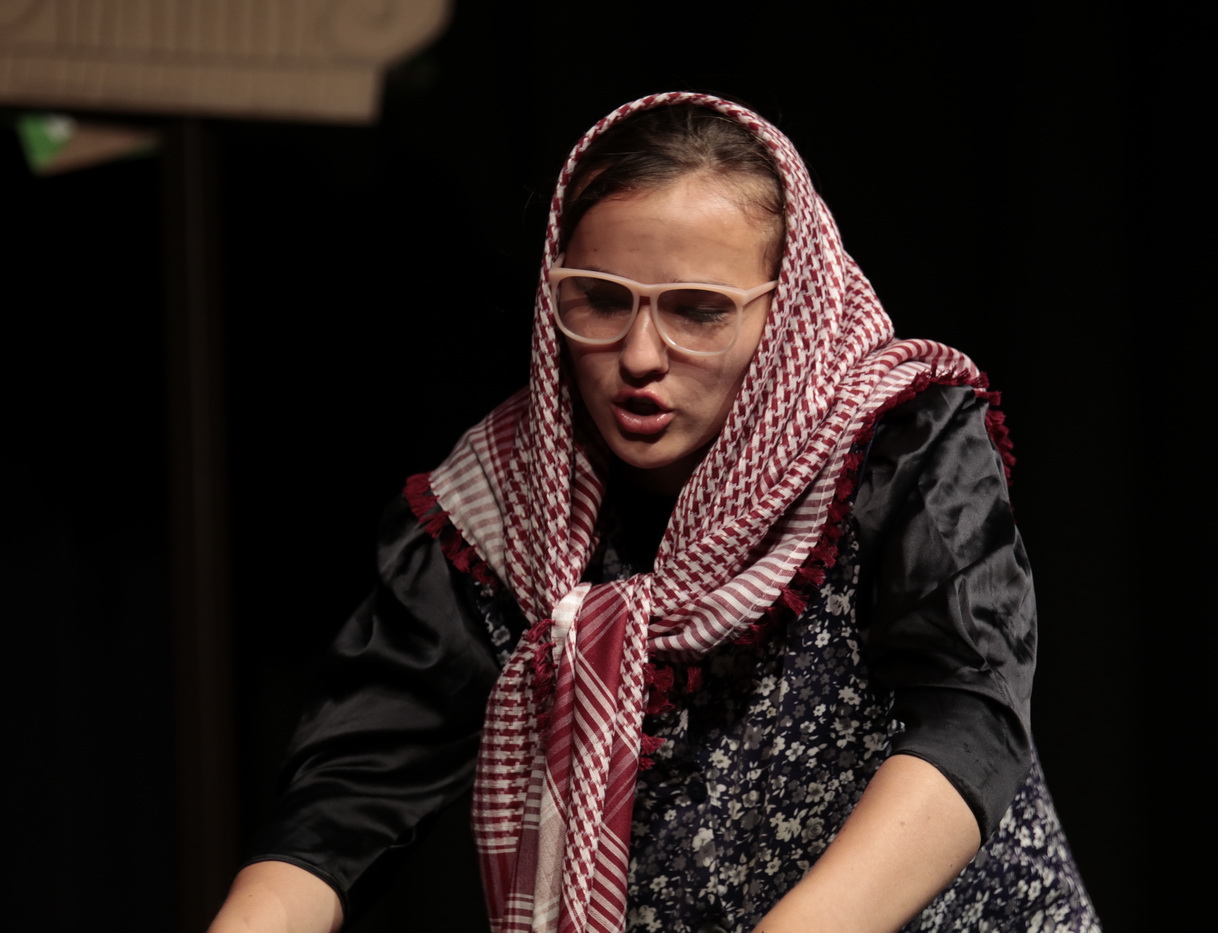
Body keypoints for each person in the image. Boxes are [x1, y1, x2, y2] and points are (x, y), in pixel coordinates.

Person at [207, 92, 1100, 933]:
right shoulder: (497, 506)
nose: (639, 355)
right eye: (599, 300)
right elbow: (349, 796)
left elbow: (970, 712)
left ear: (787, 309)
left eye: (699, 311)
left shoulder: (893, 441)